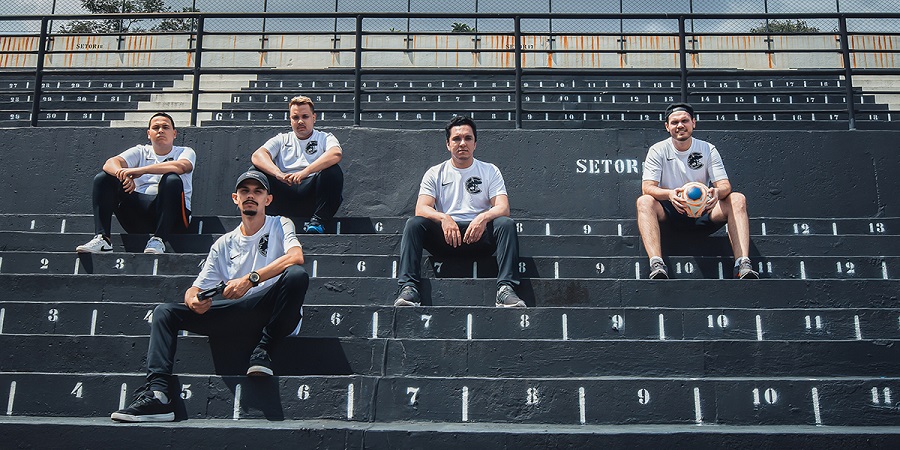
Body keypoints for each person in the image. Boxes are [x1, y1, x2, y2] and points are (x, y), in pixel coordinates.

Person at [110, 170, 309, 422]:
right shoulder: (223, 243)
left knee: (296, 275)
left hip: (275, 312)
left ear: (267, 200)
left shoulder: (280, 223)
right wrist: (193, 298)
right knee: (165, 312)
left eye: (258, 191)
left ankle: (263, 350)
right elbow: (197, 287)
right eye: (245, 191)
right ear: (235, 198)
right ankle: (158, 395)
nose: (251, 196)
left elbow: (295, 257)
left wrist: (251, 279)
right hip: (238, 314)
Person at [393, 116, 525, 308]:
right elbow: (421, 207)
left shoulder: (489, 171)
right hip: (446, 238)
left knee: (506, 223)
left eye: (467, 138)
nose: (462, 143)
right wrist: (443, 217)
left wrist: (483, 217)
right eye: (456, 139)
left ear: (475, 143)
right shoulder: (435, 172)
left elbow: (503, 207)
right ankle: (409, 288)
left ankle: (505, 290)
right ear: (448, 144)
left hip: (480, 237)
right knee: (414, 223)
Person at [636, 102, 759, 280]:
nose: (680, 125)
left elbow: (724, 185)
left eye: (684, 121)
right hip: (672, 210)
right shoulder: (658, 150)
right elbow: (647, 187)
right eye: (674, 122)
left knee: (737, 199)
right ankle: (657, 264)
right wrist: (670, 194)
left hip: (704, 210)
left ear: (693, 122)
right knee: (644, 201)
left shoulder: (707, 149)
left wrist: (716, 193)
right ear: (667, 127)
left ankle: (742, 264)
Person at [76, 112, 195, 254]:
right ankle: (103, 239)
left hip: (175, 219)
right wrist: (123, 176)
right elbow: (110, 163)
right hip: (139, 217)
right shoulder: (141, 151)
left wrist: (141, 171)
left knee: (171, 179)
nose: (161, 130)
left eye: (165, 127)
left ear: (174, 133)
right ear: (149, 133)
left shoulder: (185, 151)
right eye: (156, 127)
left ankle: (159, 239)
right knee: (103, 178)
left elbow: (181, 167)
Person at [250, 95, 344, 233]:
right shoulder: (282, 139)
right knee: (255, 173)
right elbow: (257, 155)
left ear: (314, 118)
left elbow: (336, 153)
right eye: (295, 117)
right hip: (284, 193)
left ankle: (318, 223)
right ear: (290, 120)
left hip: (312, 195)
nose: (300, 121)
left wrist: (305, 172)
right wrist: (278, 174)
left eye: (305, 116)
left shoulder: (325, 137)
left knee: (333, 171)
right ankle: (260, 222)